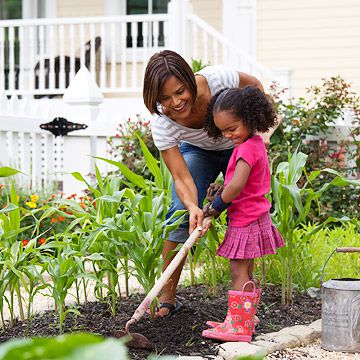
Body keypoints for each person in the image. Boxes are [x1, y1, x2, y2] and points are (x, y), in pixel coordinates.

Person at [143, 49, 277, 317]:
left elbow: (255, 89)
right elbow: (181, 177)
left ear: (190, 81)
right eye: (164, 99)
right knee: (179, 213)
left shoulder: (218, 79)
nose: (175, 102)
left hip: (238, 145)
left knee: (245, 212)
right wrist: (193, 205)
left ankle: (243, 308)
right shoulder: (162, 124)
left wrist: (260, 134)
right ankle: (167, 298)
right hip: (198, 151)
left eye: (180, 91)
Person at [201, 86, 285, 342]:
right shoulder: (255, 144)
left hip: (245, 220)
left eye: (232, 128)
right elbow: (240, 182)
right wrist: (221, 187)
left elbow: (237, 186)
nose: (228, 135)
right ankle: (245, 316)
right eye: (223, 130)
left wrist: (215, 208)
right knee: (246, 272)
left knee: (238, 272)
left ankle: (238, 326)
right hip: (255, 217)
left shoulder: (247, 149)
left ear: (250, 119)